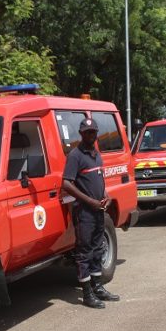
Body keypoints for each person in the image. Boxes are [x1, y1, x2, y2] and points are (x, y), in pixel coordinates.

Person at [62, 118, 120, 309]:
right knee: (84, 252)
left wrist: (106, 195)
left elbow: (98, 180)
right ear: (81, 134)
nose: (91, 135)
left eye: (94, 132)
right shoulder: (75, 156)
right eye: (88, 132)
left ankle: (98, 287)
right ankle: (87, 294)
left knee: (97, 249)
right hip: (85, 212)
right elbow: (67, 183)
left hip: (98, 210)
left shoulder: (96, 154)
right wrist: (90, 201)